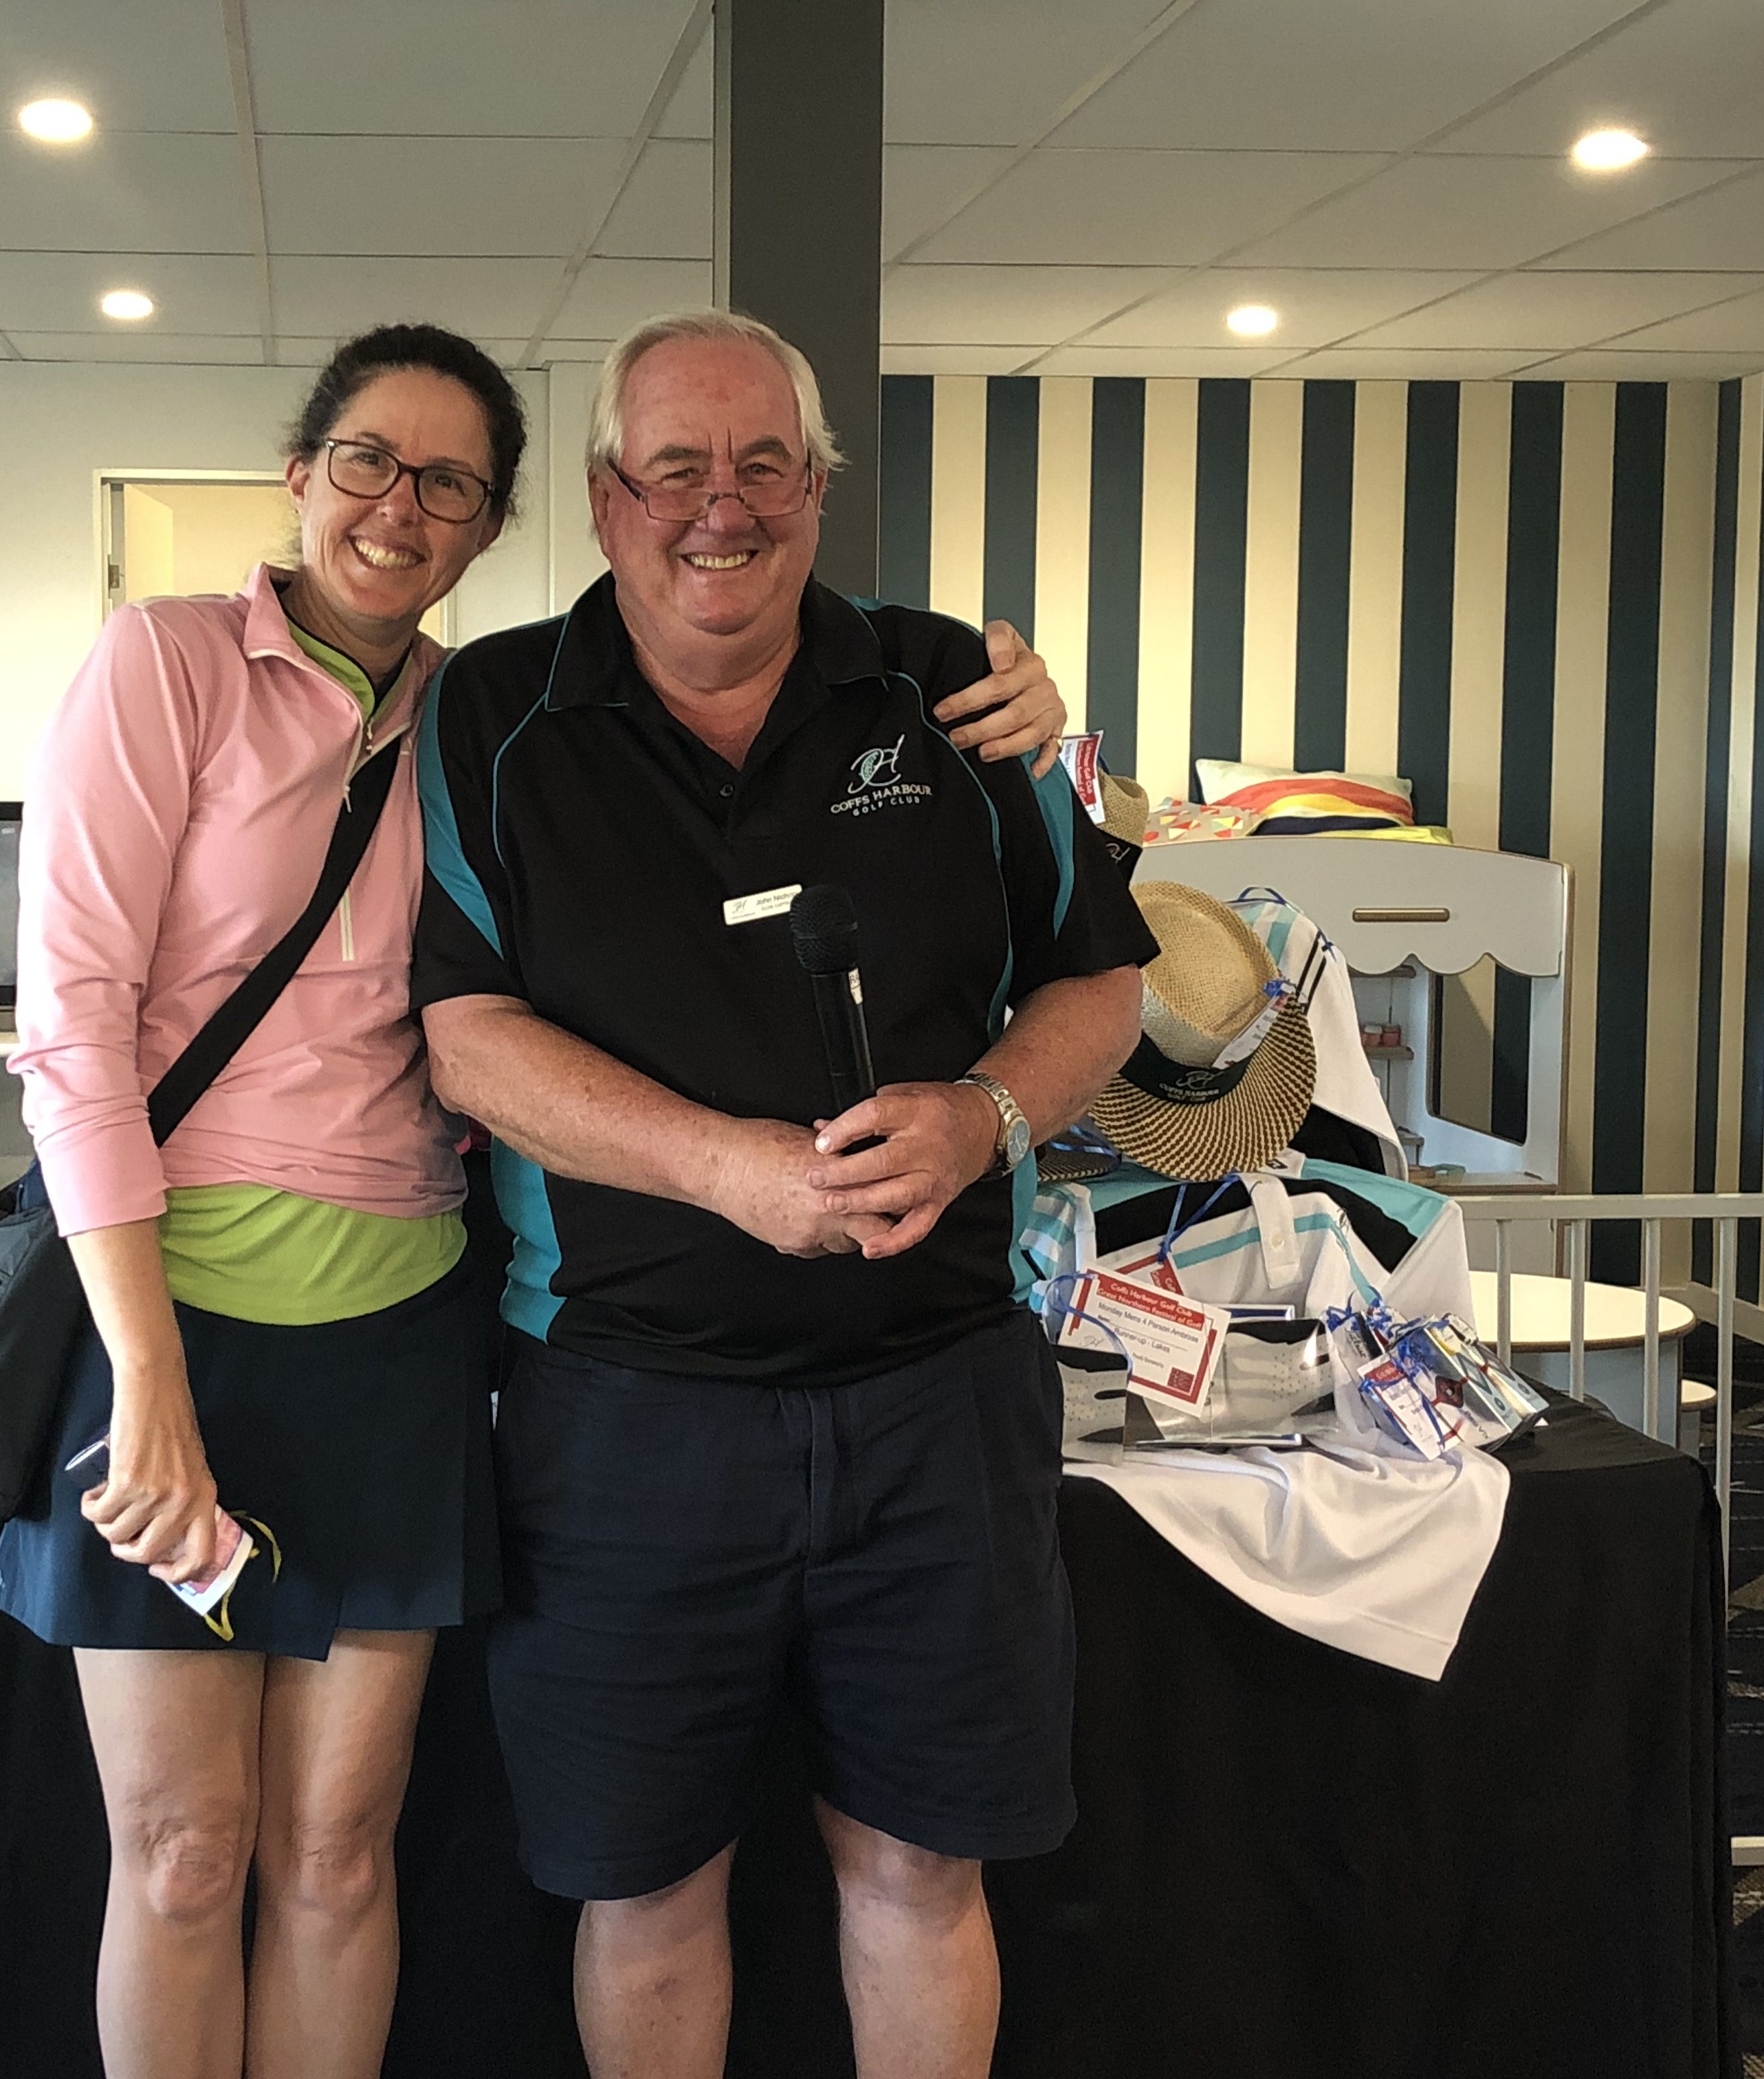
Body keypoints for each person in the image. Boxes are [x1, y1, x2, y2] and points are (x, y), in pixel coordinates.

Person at [0, 319, 1081, 2079]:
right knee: (186, 1853)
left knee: (340, 1857)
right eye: (367, 461)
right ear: (301, 472)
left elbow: (1087, 945)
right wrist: (150, 1384)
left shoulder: (472, 704)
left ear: (498, 522)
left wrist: (1048, 726)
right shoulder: (186, 664)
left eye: (448, 484)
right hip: (181, 1324)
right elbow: (79, 1037)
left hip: (404, 1333)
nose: (398, 508)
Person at [412, 309, 1159, 2079]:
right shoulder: (493, 712)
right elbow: (467, 1041)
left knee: (921, 1869)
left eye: (764, 465)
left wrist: (983, 1116)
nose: (721, 507)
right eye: (676, 468)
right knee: (644, 1886)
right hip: (623, 1410)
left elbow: (1103, 984)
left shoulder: (950, 689)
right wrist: (724, 1170)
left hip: (940, 1401)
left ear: (819, 489)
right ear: (608, 497)